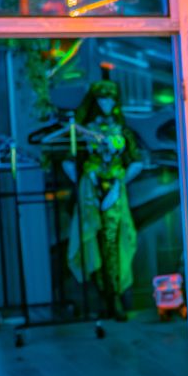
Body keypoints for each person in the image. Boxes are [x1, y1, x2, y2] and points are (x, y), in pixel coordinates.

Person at [62, 73, 146, 320]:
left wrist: (120, 182)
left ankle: (114, 295)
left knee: (112, 241)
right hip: (91, 192)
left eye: (110, 99)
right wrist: (84, 182)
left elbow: (136, 161)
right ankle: (101, 295)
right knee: (92, 240)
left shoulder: (122, 130)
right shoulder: (85, 131)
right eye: (101, 99)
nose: (106, 103)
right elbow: (68, 160)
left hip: (114, 192)